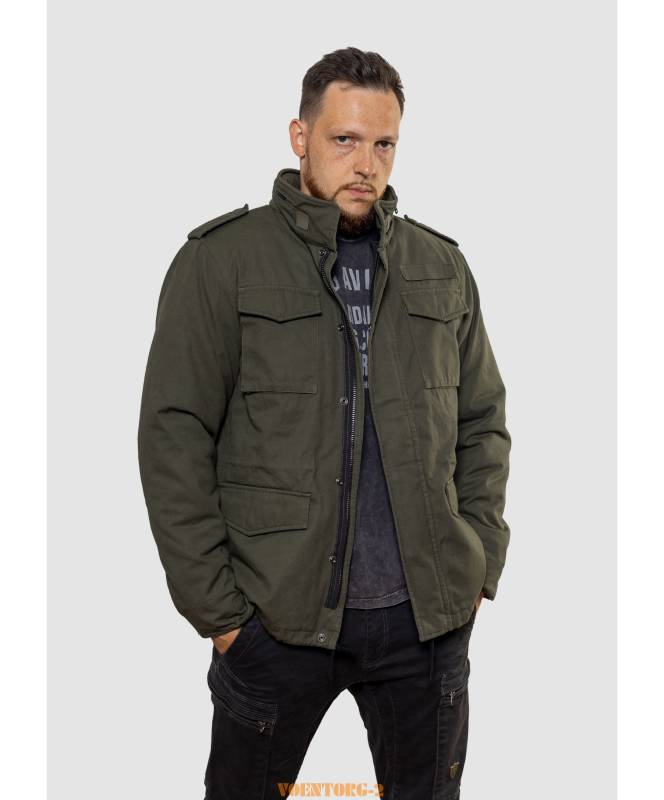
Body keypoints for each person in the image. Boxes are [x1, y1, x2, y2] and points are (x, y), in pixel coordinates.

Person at [137, 46, 511, 800]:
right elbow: (174, 436)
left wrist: (478, 564)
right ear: (300, 137)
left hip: (426, 628)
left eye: (383, 143)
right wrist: (223, 616)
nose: (365, 164)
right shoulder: (223, 262)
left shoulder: (441, 266)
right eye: (344, 139)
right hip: (277, 622)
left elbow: (482, 423)